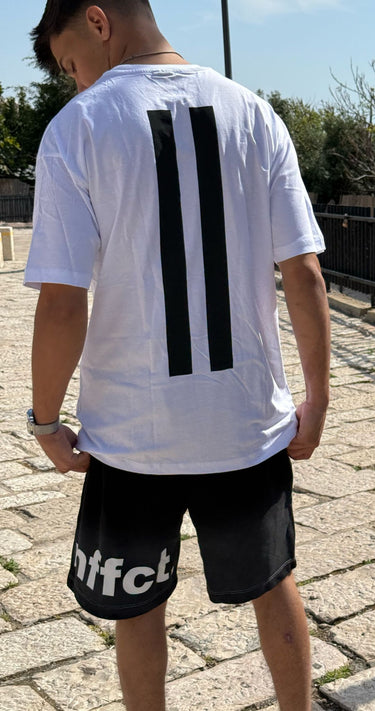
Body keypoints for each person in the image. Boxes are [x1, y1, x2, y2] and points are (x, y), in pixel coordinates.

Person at [25, 1, 330, 709]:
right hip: (245, 425)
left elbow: (63, 304)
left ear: (98, 21)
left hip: (132, 434)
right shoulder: (254, 114)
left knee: (136, 605)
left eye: (69, 63)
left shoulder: (78, 127)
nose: (75, 81)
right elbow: (305, 273)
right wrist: (317, 399)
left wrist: (45, 420)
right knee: (273, 584)